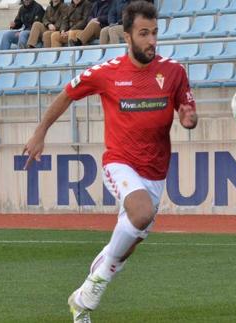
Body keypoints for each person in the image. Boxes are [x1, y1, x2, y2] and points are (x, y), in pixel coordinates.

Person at [22, 2, 197, 322]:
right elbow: (66, 94)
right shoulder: (106, 73)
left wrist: (188, 118)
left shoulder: (174, 71)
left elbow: (187, 110)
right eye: (144, 33)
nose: (151, 40)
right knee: (140, 213)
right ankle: (93, 289)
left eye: (155, 33)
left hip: (156, 171)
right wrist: (40, 132)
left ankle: (81, 302)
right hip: (120, 161)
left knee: (127, 244)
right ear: (127, 37)